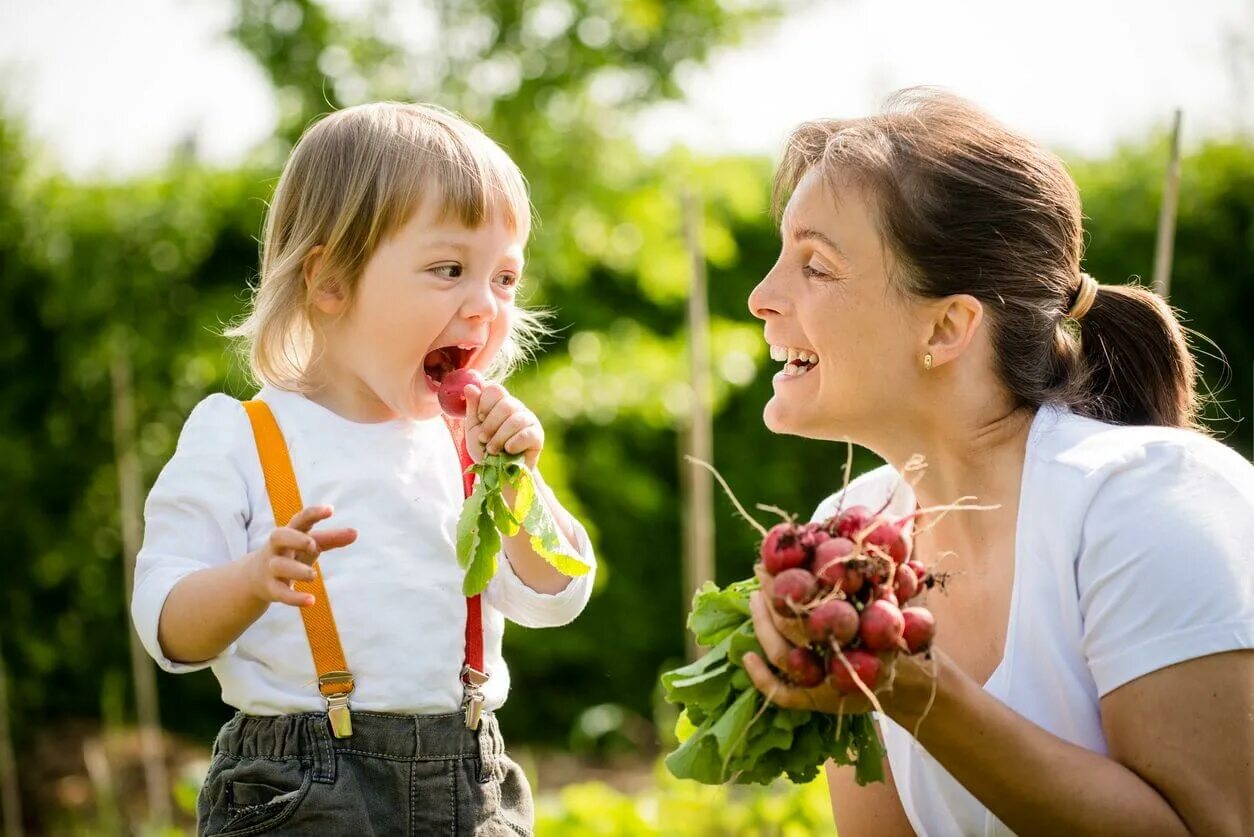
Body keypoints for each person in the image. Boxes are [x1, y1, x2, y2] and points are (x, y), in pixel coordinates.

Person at [742, 88, 1254, 836]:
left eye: (816, 265)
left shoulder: (1146, 499)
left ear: (948, 326)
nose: (761, 296)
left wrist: (920, 693)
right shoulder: (851, 539)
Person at [131, 102, 596, 836]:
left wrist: (521, 487)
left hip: (469, 783)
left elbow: (557, 594)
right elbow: (166, 623)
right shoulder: (242, 436)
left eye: (504, 278)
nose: (485, 307)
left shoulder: (466, 447)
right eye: (449, 269)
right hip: (299, 789)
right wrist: (251, 581)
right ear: (331, 282)